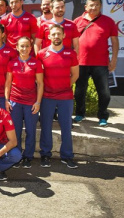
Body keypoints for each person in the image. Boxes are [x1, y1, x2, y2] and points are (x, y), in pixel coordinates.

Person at [37, 24, 79, 169]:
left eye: (58, 34)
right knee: (46, 126)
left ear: (63, 36)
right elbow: (38, 77)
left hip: (65, 97)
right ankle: (45, 154)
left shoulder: (71, 53)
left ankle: (67, 156)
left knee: (66, 127)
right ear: (48, 37)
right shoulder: (41, 54)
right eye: (53, 34)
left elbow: (75, 74)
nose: (56, 36)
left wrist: (65, 86)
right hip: (47, 97)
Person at [73, 0, 119, 127]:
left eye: (97, 5)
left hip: (101, 63)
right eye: (91, 5)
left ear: (101, 6)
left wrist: (114, 60)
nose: (94, 7)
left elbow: (115, 42)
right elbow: (72, 42)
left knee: (104, 91)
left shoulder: (108, 21)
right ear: (86, 7)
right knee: (80, 91)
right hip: (80, 62)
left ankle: (103, 116)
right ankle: (80, 114)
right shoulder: (77, 21)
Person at [5, 37, 43, 168]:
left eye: (27, 46)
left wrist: (38, 102)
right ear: (17, 47)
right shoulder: (12, 63)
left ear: (31, 47)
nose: (24, 49)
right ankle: (17, 155)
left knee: (31, 131)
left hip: (30, 103)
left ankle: (28, 156)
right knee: (15, 131)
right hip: (15, 102)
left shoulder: (36, 63)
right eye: (22, 46)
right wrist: (6, 100)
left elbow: (40, 84)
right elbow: (8, 83)